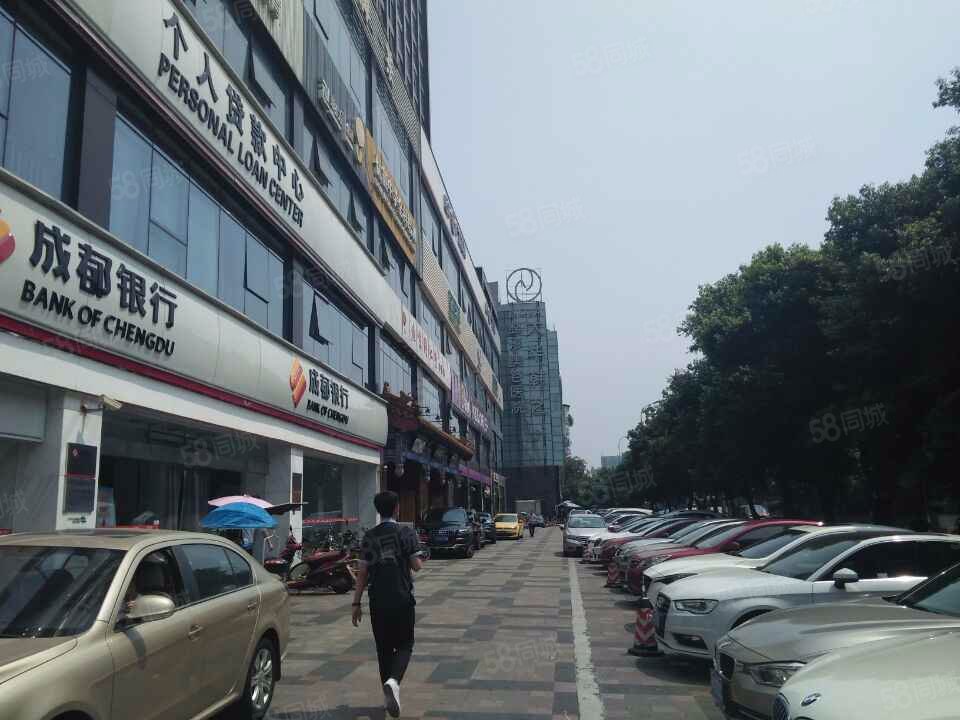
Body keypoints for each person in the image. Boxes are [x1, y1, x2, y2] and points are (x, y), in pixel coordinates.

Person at [351, 491, 424, 718]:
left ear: (378, 510)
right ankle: (394, 682)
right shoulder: (406, 533)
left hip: (378, 602)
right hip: (402, 599)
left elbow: (362, 574)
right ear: (396, 508)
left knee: (383, 649)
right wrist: (418, 556)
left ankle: (389, 695)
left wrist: (356, 603)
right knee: (405, 644)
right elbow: (417, 565)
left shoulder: (369, 537)